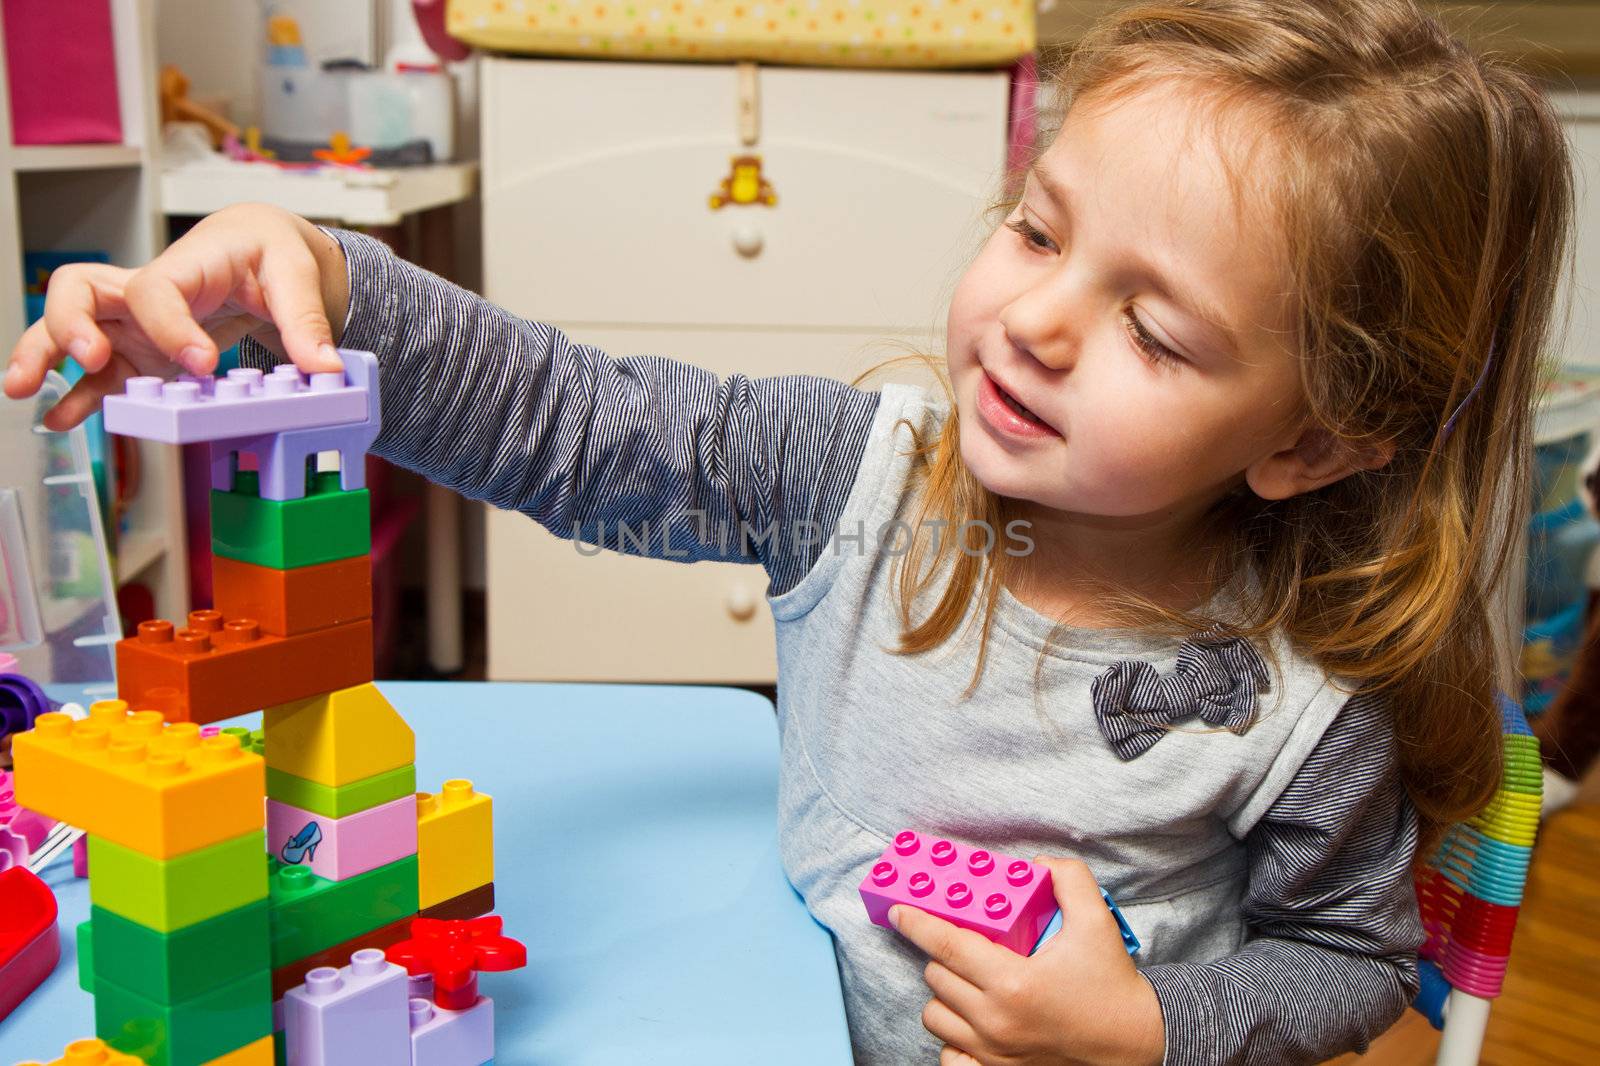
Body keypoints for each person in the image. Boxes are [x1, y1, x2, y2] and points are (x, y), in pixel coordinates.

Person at [3, 1, 1574, 1061]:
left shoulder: (1312, 694)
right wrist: (324, 284)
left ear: (1306, 439)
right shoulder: (861, 473)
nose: (1031, 322)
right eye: (1035, 228)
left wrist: (1146, 1026)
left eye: (1154, 333)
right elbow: (568, 417)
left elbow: (1354, 962)